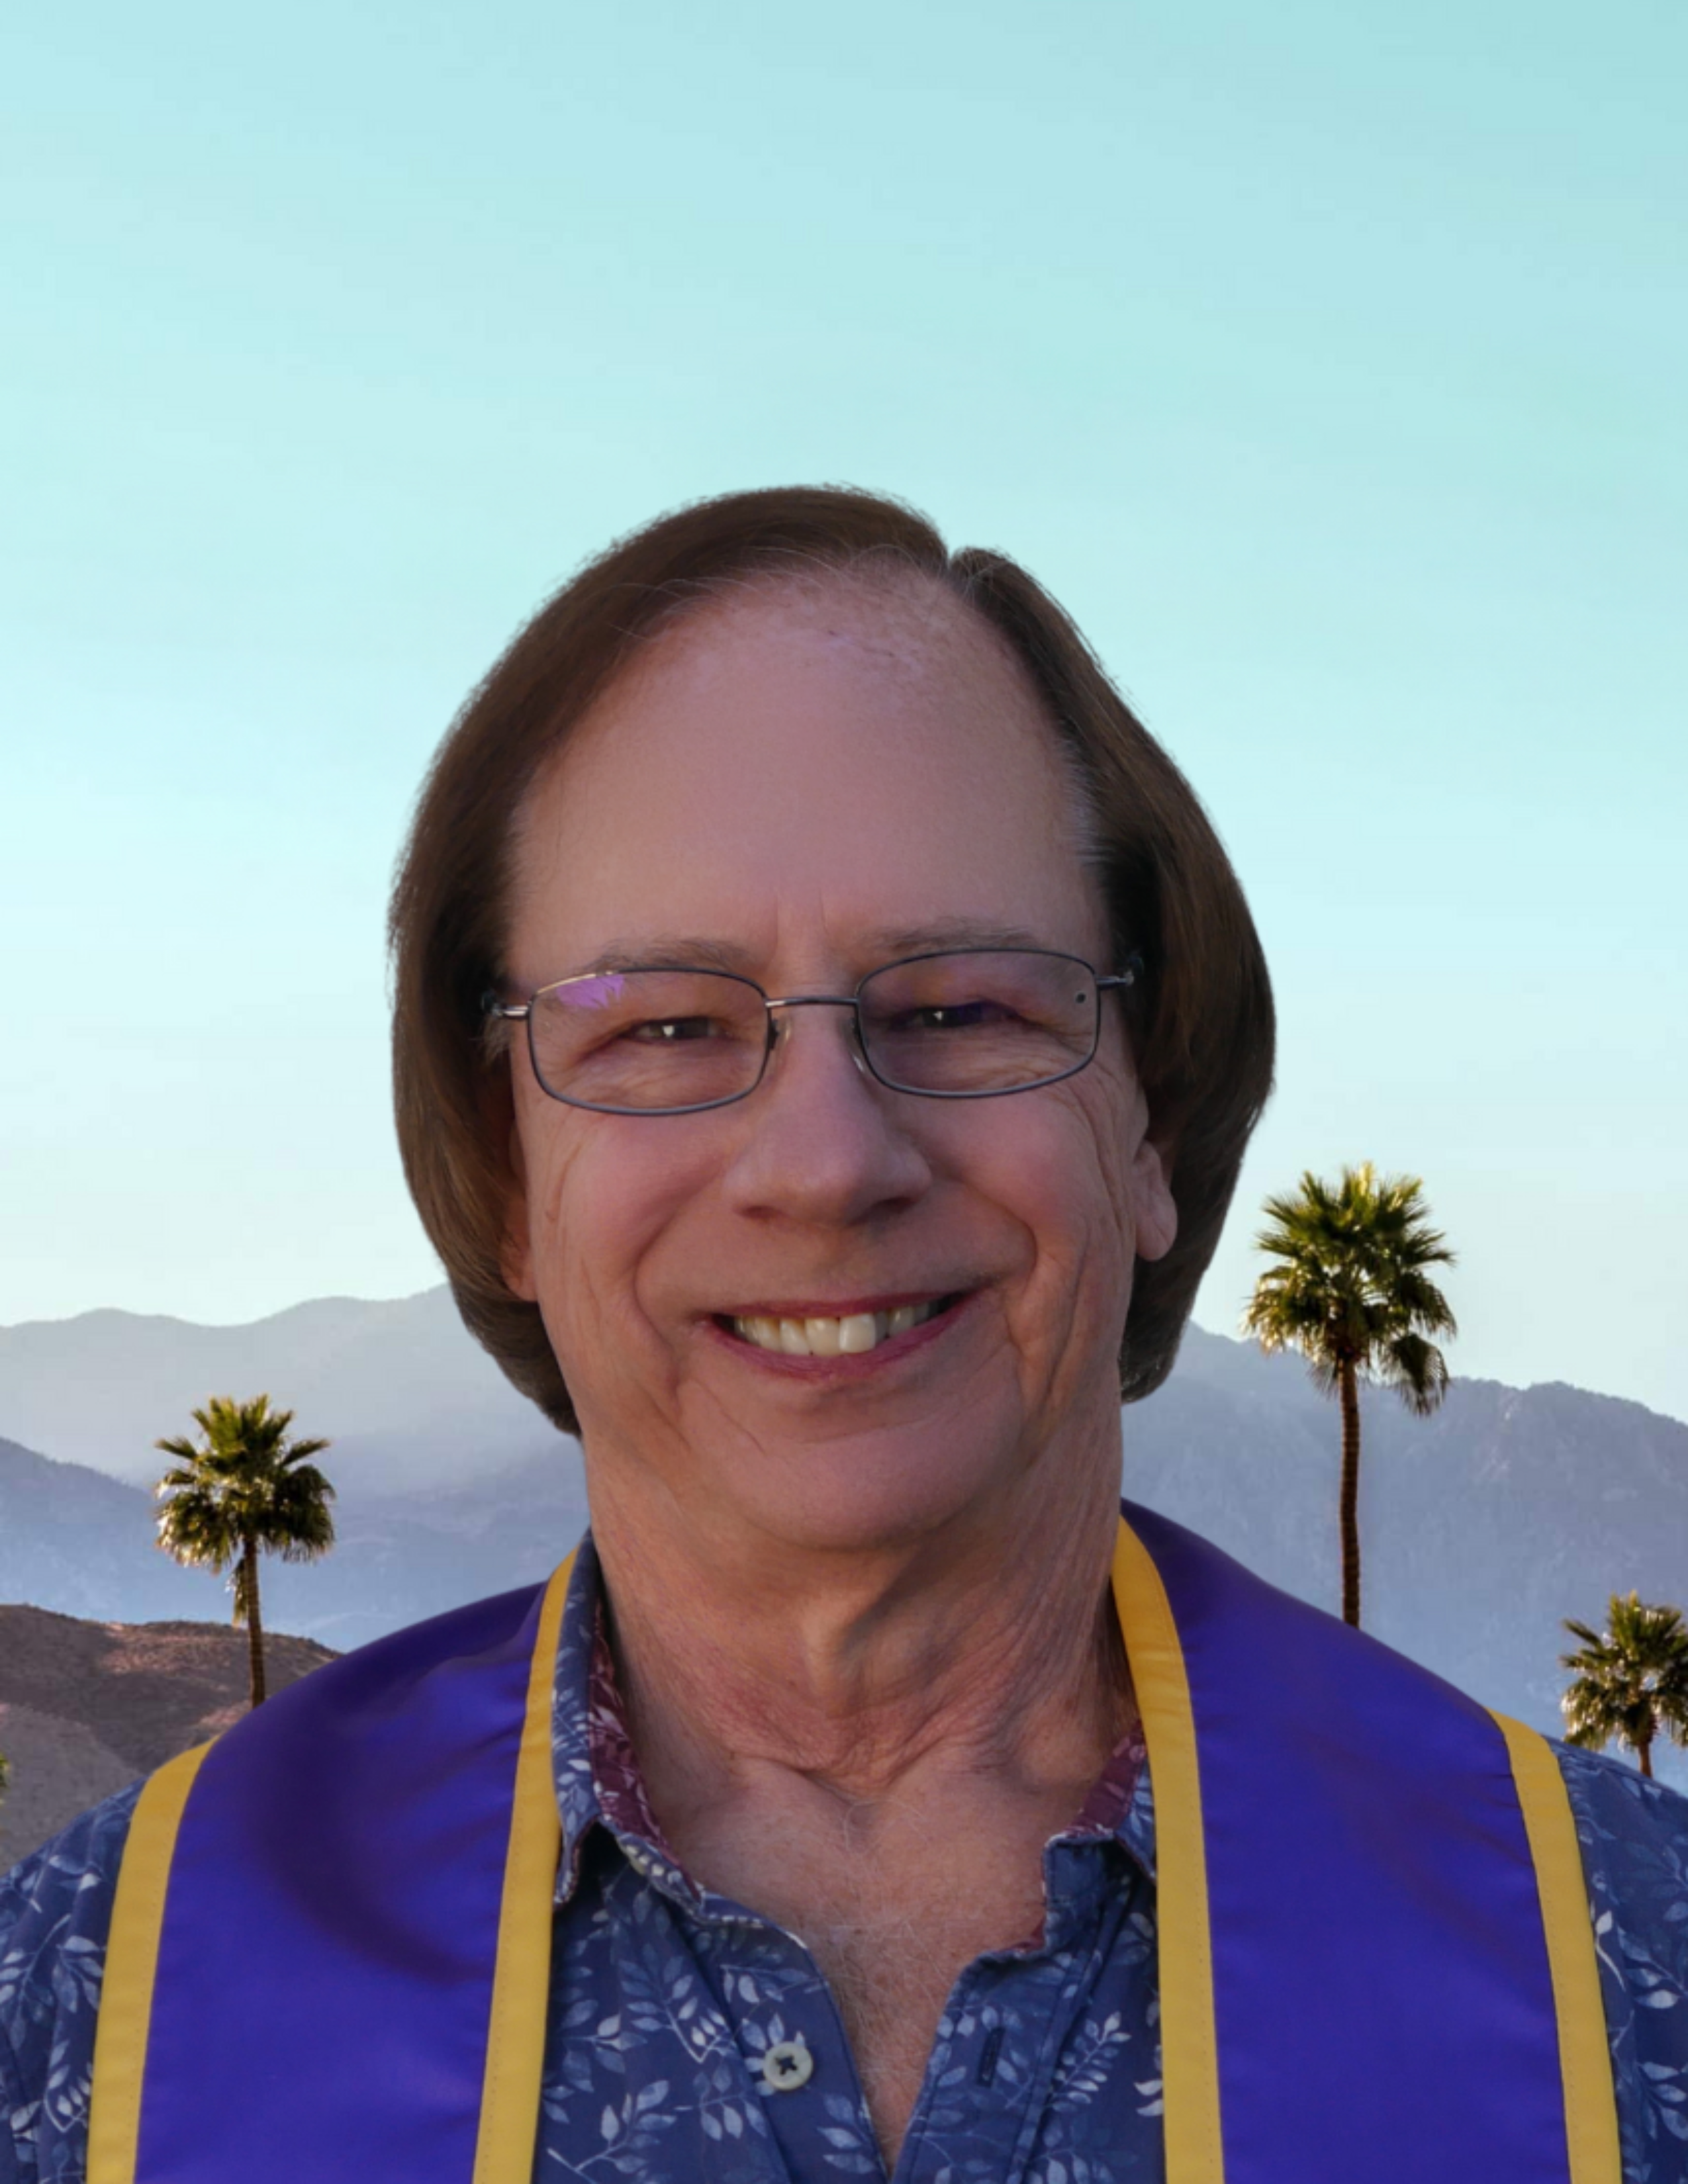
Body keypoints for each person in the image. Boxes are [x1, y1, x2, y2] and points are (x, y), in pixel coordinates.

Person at [2, 486, 1684, 2184]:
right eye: (662, 1027)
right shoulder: (95, 2008)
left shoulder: (1624, 1976)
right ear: (507, 1173)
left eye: (961, 1005)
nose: (823, 1162)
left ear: (1151, 1129)